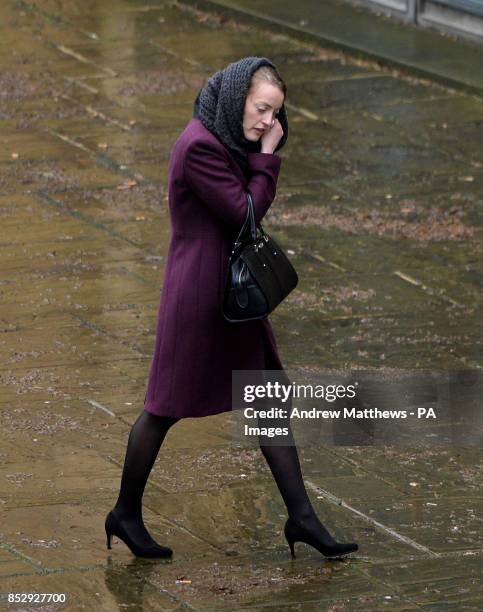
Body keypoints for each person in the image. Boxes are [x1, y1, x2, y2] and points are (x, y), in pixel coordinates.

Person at [105, 57, 358, 560]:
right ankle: (125, 514)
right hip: (201, 297)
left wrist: (262, 147)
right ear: (238, 97)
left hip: (232, 295)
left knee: (268, 400)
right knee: (163, 407)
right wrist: (267, 156)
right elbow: (245, 212)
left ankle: (302, 518)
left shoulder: (220, 135)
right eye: (262, 109)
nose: (268, 122)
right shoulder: (199, 145)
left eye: (275, 114)